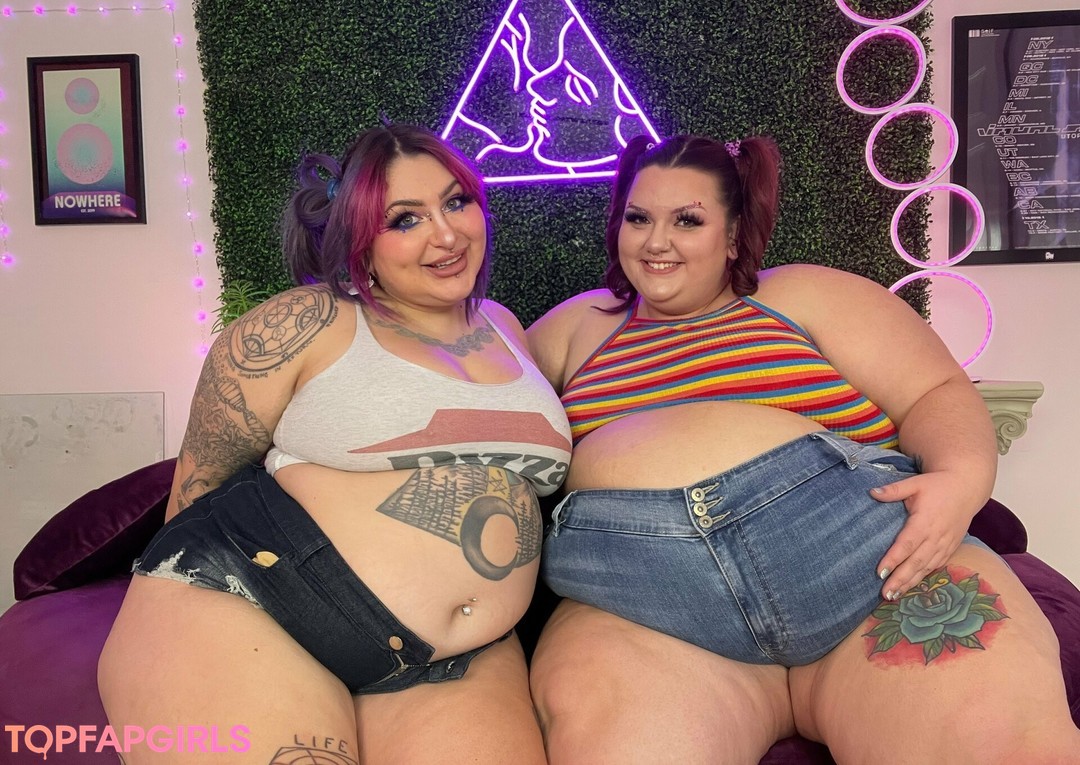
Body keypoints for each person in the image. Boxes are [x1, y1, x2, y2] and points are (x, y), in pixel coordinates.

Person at [526, 133, 1080, 763]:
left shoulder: (804, 294)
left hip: (871, 574)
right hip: (644, 608)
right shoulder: (578, 327)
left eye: (687, 220)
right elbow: (486, 384)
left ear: (734, 234)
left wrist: (962, 476)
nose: (656, 241)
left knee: (1000, 743)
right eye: (638, 218)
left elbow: (936, 392)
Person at [98, 123, 571, 764]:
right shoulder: (306, 322)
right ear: (360, 243)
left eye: (456, 202)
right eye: (405, 219)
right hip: (252, 600)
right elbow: (198, 483)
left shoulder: (507, 327)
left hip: (450, 657)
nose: (446, 234)